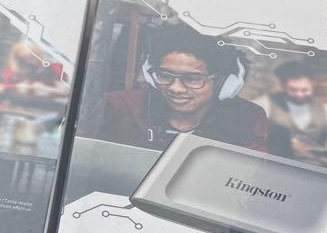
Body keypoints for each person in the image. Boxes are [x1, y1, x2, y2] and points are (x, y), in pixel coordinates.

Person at [101, 26, 291, 155]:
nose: (175, 88)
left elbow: (248, 178)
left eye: (192, 79)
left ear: (224, 83)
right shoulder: (121, 106)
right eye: (164, 75)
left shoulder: (247, 117)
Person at [256, 61, 327, 159]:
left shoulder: (326, 111)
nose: (299, 95)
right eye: (293, 90)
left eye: (305, 90)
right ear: (282, 87)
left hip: (316, 167)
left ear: (312, 85)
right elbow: (250, 139)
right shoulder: (264, 105)